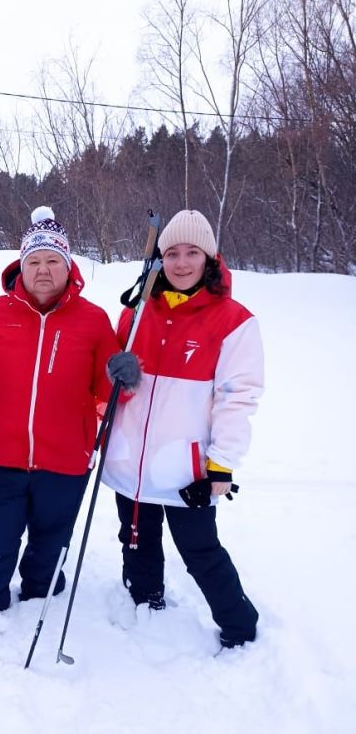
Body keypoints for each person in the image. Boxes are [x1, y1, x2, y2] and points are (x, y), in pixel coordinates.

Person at [0, 206, 119, 618]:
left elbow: (110, 392)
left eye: (53, 261)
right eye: (34, 261)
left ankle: (39, 594)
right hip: (1, 454)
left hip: (67, 458)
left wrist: (124, 374)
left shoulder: (93, 320)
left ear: (69, 267)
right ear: (21, 265)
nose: (43, 270)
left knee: (52, 538)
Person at [102, 209, 264, 648]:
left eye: (192, 252)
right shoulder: (137, 311)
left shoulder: (234, 321)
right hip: (130, 461)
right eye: (172, 253)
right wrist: (117, 373)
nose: (181, 262)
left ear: (209, 258)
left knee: (200, 550)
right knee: (135, 540)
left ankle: (240, 627)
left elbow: (238, 397)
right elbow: (112, 381)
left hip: (185, 469)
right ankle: (144, 601)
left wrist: (220, 467)